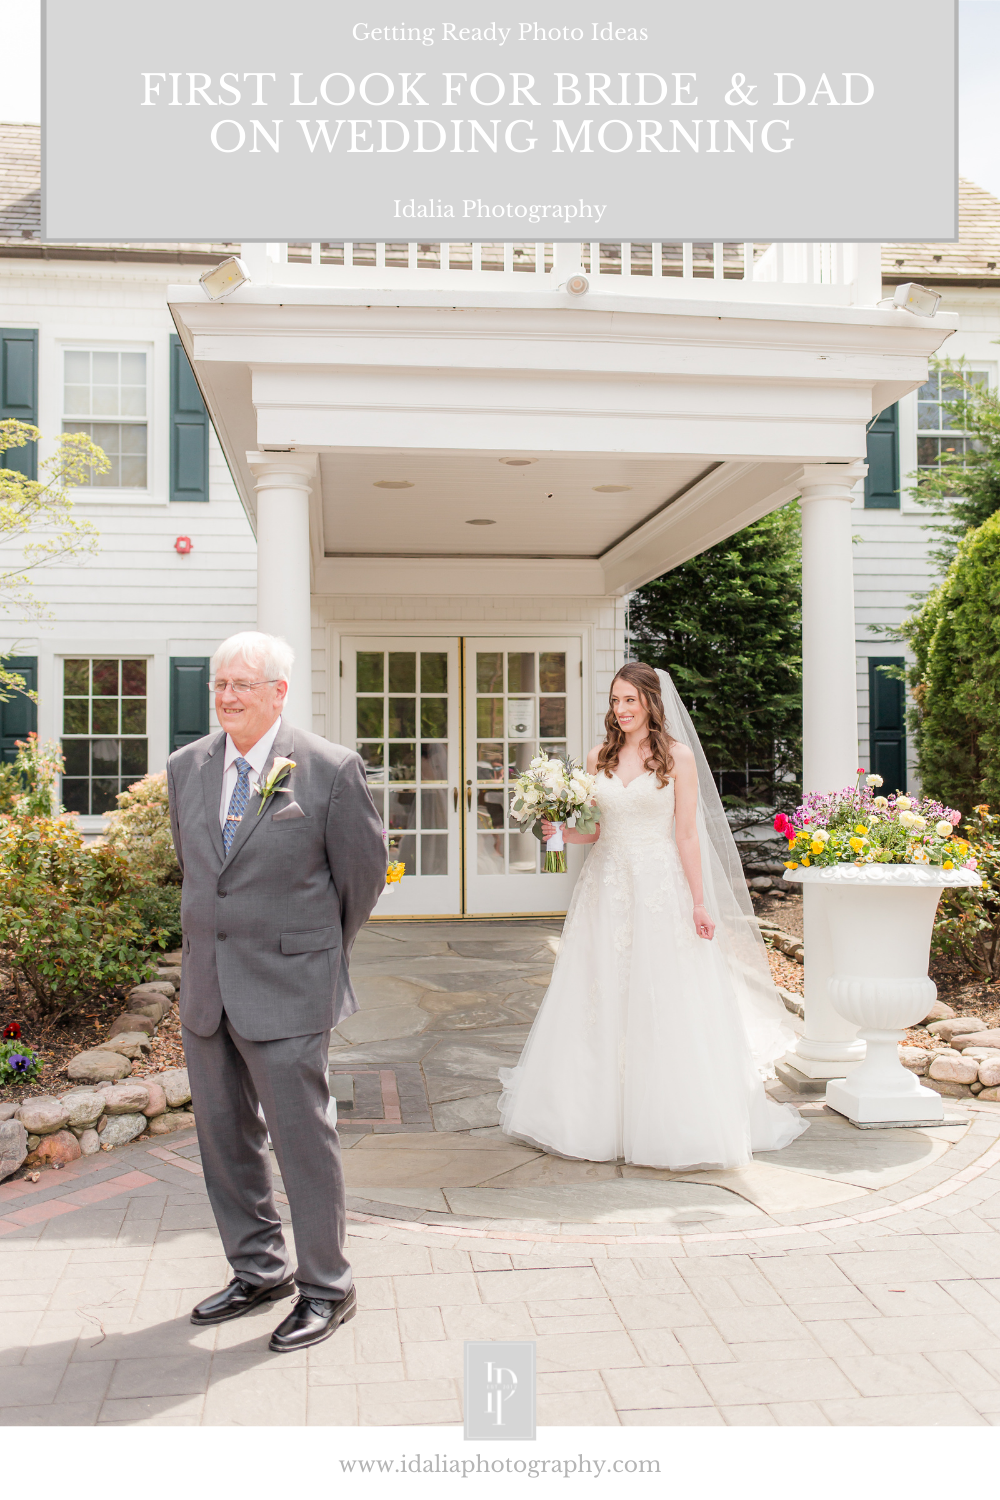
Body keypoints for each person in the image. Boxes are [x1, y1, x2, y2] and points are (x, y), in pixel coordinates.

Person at [166, 631, 387, 1351]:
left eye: (242, 685)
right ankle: (258, 1269)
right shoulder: (186, 767)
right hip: (208, 988)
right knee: (224, 1139)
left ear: (278, 693)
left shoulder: (328, 770)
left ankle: (328, 1285)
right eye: (220, 685)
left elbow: (361, 880)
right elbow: (200, 873)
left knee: (302, 1140)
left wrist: (313, 953)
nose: (226, 697)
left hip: (291, 986)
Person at [497, 662, 807, 1170]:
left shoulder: (677, 758)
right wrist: (554, 831)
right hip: (605, 885)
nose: (620, 711)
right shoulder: (600, 756)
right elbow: (593, 830)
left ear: (650, 703)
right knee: (598, 990)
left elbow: (686, 835)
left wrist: (699, 901)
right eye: (615, 701)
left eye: (630, 701)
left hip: (658, 887)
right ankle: (591, 1115)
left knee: (660, 993)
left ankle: (667, 1119)